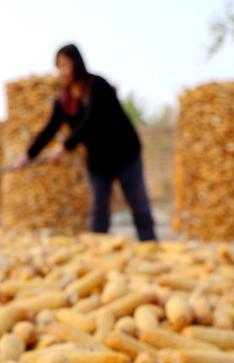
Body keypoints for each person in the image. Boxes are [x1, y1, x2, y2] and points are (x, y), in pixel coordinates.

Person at [14, 44, 157, 241]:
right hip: (98, 161)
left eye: (65, 65)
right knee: (99, 208)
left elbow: (92, 121)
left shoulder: (98, 86)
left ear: (77, 63)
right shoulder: (64, 101)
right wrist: (28, 155)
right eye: (58, 66)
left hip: (124, 154)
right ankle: (98, 247)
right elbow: (49, 130)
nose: (61, 71)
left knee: (138, 203)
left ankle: (149, 243)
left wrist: (65, 146)